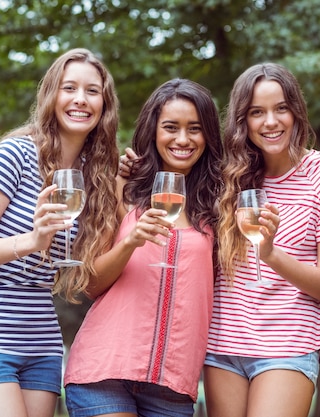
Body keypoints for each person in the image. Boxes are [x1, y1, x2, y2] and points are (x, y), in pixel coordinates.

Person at [0, 48, 120, 417]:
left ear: (105, 104)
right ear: (52, 95)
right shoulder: (17, 155)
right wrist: (31, 242)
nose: (80, 100)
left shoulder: (98, 176)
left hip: (41, 340)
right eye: (69, 88)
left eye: (92, 91)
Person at [63, 78, 223, 417]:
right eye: (170, 127)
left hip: (173, 385)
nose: (183, 139)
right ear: (153, 131)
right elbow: (91, 283)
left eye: (195, 129)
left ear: (208, 135)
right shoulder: (123, 189)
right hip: (103, 370)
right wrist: (130, 242)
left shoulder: (219, 203)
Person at [202, 63, 320, 417]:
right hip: (222, 344)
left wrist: (270, 253)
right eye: (257, 112)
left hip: (289, 345)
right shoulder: (226, 177)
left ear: (296, 111)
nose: (271, 122)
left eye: (281, 108)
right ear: (243, 120)